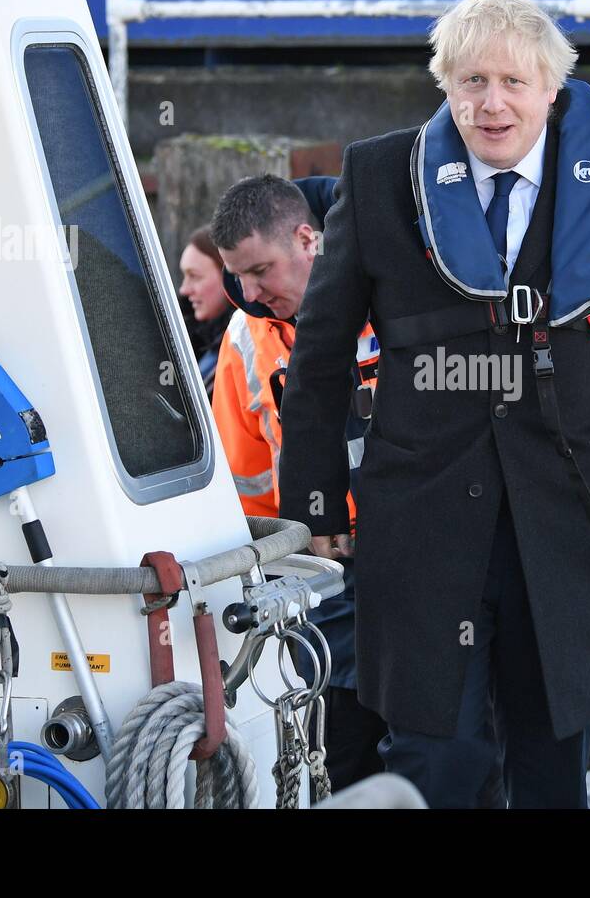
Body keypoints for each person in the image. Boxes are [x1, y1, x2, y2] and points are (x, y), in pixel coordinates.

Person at [275, 0, 590, 809]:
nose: (491, 103)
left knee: (551, 766)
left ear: (552, 87)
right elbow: (320, 359)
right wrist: (317, 503)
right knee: (437, 763)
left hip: (569, 524)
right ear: (445, 87)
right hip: (421, 534)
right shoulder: (376, 174)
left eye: (511, 82)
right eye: (470, 82)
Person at [209, 174, 386, 793]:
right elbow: (245, 480)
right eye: (238, 277)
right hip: (322, 572)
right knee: (340, 745)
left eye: (261, 270)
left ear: (309, 240)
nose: (250, 291)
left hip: (424, 553)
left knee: (443, 748)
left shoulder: (393, 286)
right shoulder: (243, 339)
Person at [177, 225, 233, 398]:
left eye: (194, 276)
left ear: (229, 276)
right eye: (184, 276)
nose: (184, 290)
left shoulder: (244, 349)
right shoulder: (193, 342)